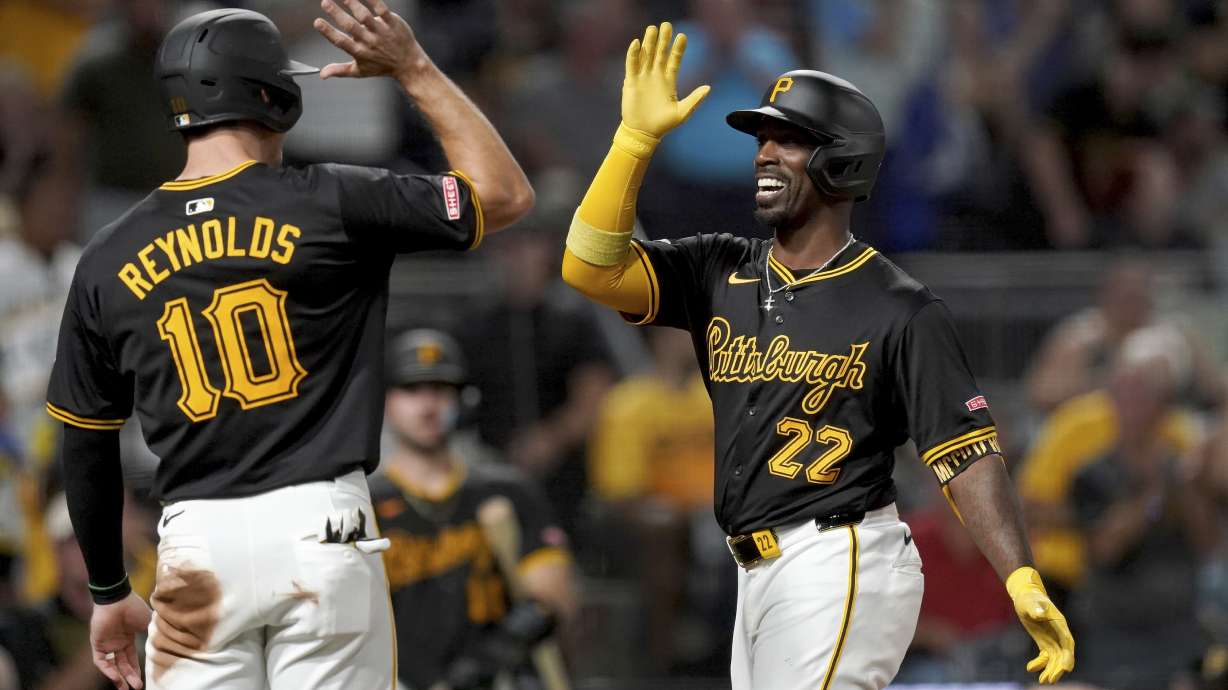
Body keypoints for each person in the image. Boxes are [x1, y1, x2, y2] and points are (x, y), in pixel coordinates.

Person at [560, 22, 1075, 687]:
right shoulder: (720, 268)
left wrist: (1020, 574)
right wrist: (633, 143)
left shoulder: (898, 307)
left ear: (844, 162)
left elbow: (965, 452)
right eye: (762, 138)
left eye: (789, 139)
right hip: (755, 570)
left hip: (840, 558)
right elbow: (588, 268)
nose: (764, 153)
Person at [45, 3, 533, 689]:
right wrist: (413, 69)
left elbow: (85, 442)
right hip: (320, 527)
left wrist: (106, 590)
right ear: (274, 96)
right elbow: (504, 194)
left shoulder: (106, 254)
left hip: (195, 546)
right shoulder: (331, 200)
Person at [372, 329, 575, 690]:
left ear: (463, 400)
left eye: (440, 390)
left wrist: (480, 666)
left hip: (494, 679)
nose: (428, 404)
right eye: (412, 389)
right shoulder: (365, 502)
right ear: (386, 401)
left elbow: (553, 599)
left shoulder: (506, 490)